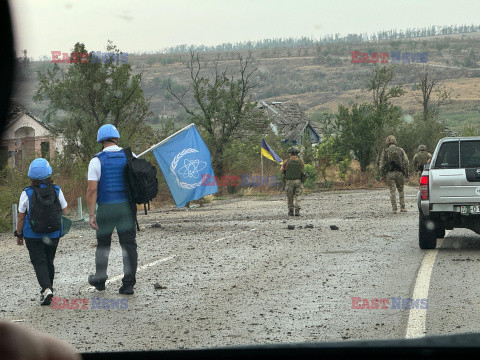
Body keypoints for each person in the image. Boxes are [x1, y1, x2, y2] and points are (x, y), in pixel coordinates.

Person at [87, 124, 137, 295]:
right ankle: (128, 284)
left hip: (106, 209)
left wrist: (91, 214)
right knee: (128, 245)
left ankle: (100, 280)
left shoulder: (96, 161)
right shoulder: (131, 156)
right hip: (126, 208)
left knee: (103, 245)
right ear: (116, 138)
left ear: (101, 141)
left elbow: (92, 190)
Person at [15, 158, 68, 305]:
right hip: (53, 232)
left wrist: (19, 234)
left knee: (39, 261)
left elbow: (21, 217)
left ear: (31, 176)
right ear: (49, 173)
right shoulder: (56, 190)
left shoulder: (27, 193)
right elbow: (64, 209)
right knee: (48, 260)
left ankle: (46, 289)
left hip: (33, 234)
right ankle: (48, 288)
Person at [379, 135, 410, 214]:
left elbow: (381, 164)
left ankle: (394, 209)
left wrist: (382, 175)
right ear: (395, 141)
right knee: (401, 190)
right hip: (400, 173)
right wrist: (406, 172)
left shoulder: (385, 151)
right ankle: (402, 207)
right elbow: (406, 161)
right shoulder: (400, 150)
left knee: (392, 191)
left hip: (390, 174)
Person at [280, 146, 304, 216]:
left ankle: (291, 210)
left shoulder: (286, 161)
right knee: (298, 196)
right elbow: (302, 169)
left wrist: (283, 168)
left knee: (290, 196)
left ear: (290, 153)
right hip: (298, 181)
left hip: (289, 181)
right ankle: (297, 211)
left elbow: (281, 171)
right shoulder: (301, 161)